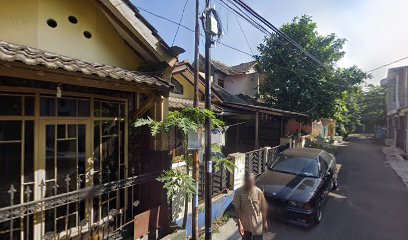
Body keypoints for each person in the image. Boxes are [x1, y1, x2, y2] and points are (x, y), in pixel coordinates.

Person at [233, 172, 268, 240]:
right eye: (247, 181)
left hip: (257, 223)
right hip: (245, 224)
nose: (249, 184)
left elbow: (263, 207)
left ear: (254, 181)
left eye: (250, 182)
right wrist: (239, 225)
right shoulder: (238, 192)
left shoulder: (258, 192)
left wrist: (265, 222)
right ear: (244, 181)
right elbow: (237, 209)